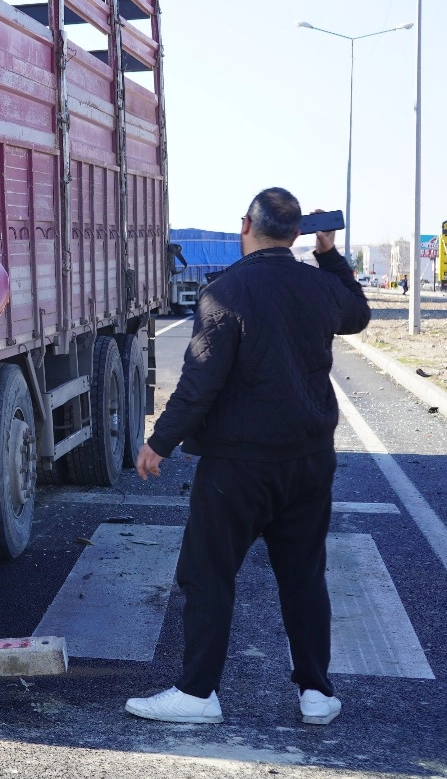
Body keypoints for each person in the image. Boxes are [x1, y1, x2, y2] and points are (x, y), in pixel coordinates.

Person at [125, 188, 370, 727]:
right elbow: (357, 314)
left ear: (246, 225)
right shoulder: (318, 285)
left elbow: (199, 383)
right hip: (308, 461)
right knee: (304, 575)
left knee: (209, 573)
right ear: (297, 233)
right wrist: (329, 255)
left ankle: (197, 695)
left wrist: (158, 442)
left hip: (237, 467)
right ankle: (315, 693)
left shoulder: (225, 292)